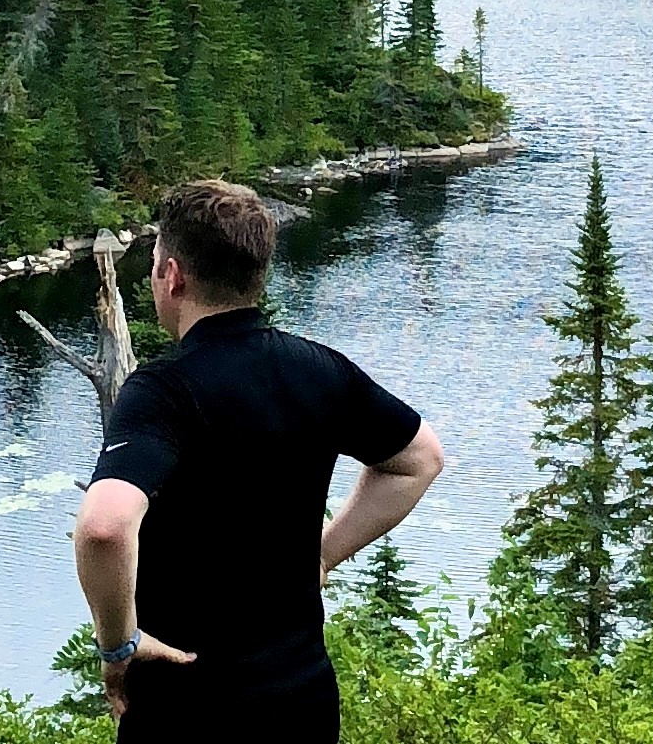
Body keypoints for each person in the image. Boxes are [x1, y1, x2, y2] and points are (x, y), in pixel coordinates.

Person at [73, 179, 444, 737]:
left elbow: (104, 527)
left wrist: (118, 645)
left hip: (189, 708)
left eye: (153, 263)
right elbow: (418, 459)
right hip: (302, 700)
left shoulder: (163, 389)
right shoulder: (319, 369)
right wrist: (322, 554)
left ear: (172, 276)